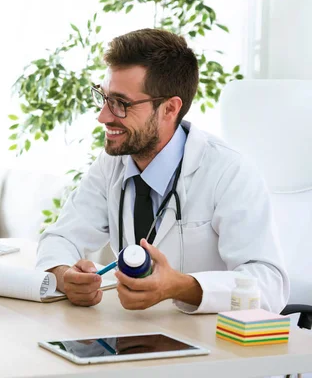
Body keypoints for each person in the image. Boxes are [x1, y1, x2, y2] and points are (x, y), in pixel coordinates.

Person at [36, 28, 289, 314]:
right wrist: (64, 275)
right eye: (103, 97)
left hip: (213, 345)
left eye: (121, 104)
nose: (103, 116)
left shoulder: (229, 173)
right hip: (138, 335)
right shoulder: (113, 163)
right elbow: (60, 238)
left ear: (169, 109)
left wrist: (181, 286)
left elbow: (270, 285)